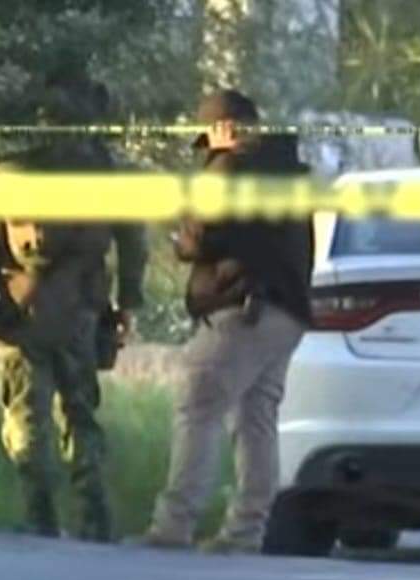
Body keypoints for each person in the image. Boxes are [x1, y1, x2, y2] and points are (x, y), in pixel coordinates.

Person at [132, 88, 313, 554]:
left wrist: (182, 241)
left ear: (225, 129)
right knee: (257, 418)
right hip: (284, 313)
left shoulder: (230, 167)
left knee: (199, 409)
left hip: (241, 309)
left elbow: (201, 236)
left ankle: (174, 525)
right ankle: (247, 530)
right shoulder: (289, 171)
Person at [0, 68, 146, 541]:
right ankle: (94, 519)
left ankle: (41, 518)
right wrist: (128, 304)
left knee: (26, 415)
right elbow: (133, 243)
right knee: (80, 414)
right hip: (83, 310)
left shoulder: (11, 168)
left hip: (20, 310)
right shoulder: (105, 174)